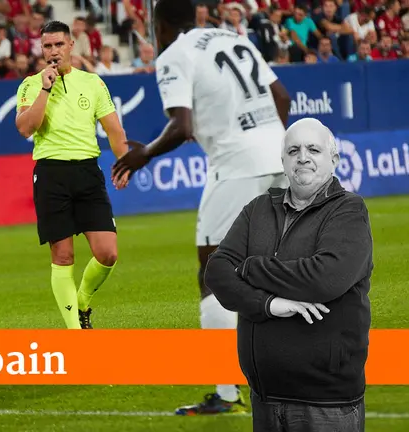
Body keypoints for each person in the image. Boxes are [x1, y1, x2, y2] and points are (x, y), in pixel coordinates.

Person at [111, 0, 293, 415]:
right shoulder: (231, 36)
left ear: (157, 24)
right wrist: (267, 140)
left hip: (235, 167)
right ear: (195, 14)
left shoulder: (175, 53)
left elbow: (181, 126)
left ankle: (226, 394)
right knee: (267, 269)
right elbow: (280, 95)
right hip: (279, 158)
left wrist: (145, 155)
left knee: (213, 273)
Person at [205, 118, 372, 432]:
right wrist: (268, 303)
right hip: (265, 397)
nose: (303, 157)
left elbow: (323, 279)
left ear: (333, 159)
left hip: (326, 404)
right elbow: (216, 272)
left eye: (313, 149)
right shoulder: (258, 209)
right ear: (283, 161)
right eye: (293, 150)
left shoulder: (349, 211)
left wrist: (250, 267)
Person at [14, 20, 129, 330]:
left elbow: (114, 130)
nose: (53, 51)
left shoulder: (92, 83)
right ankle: (74, 334)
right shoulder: (31, 84)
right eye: (47, 46)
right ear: (41, 49)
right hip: (51, 173)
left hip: (87, 172)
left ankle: (82, 302)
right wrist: (45, 89)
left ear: (70, 46)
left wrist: (125, 162)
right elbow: (26, 128)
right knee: (63, 256)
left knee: (107, 253)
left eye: (58, 45)